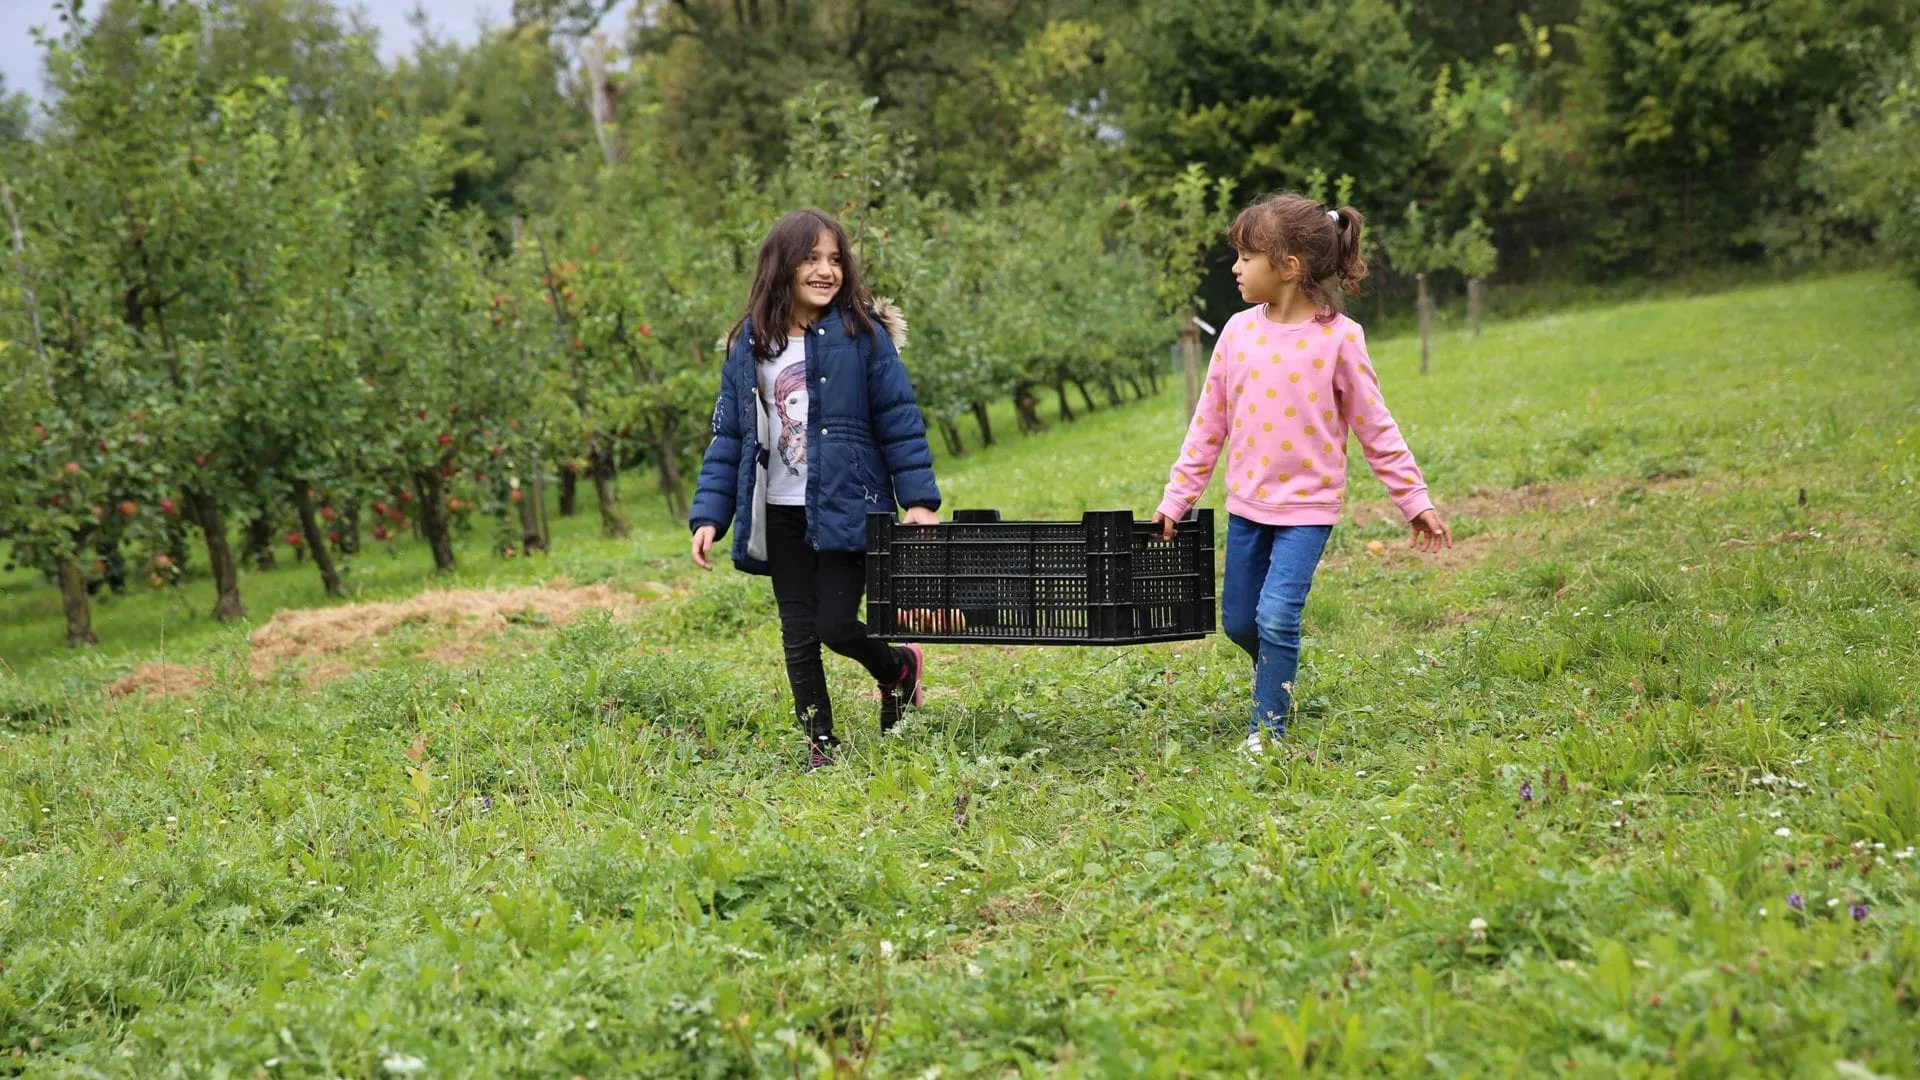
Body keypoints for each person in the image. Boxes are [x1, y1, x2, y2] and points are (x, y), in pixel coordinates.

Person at [1152, 193, 1452, 754]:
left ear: (1288, 268)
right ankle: (1274, 669)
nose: (1237, 268)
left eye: (1247, 256)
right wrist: (1177, 498)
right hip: (1247, 507)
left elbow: (1376, 428)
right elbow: (1206, 427)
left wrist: (1414, 499)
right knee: (1240, 622)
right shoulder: (1237, 334)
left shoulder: (1340, 339)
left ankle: (1268, 729)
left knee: (1277, 614)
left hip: (1307, 513)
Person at [689, 208, 941, 770]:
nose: (825, 270)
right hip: (779, 509)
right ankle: (819, 746)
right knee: (798, 632)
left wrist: (919, 501)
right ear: (782, 266)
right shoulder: (751, 345)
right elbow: (729, 434)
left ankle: (898, 668)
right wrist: (710, 513)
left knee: (836, 624)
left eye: (834, 259)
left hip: (849, 504)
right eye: (811, 258)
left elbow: (899, 419)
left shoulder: (863, 337)